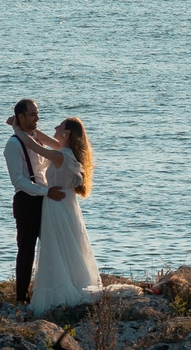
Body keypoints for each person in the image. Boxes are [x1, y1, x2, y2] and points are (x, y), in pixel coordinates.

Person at [12, 113, 140, 314]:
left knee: (57, 246)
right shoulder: (65, 151)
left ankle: (62, 289)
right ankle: (68, 281)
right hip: (62, 206)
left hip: (57, 207)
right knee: (64, 246)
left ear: (67, 132)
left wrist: (17, 130)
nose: (55, 127)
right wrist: (25, 127)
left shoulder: (62, 155)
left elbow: (35, 146)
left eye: (59, 126)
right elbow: (42, 139)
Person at [2, 99, 62, 304]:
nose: (37, 118)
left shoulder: (35, 138)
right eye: (32, 115)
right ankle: (22, 297)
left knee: (51, 246)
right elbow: (17, 180)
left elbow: (48, 158)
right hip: (27, 201)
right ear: (21, 117)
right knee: (26, 250)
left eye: (37, 114)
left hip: (44, 198)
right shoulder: (13, 144)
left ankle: (50, 291)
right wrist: (45, 192)